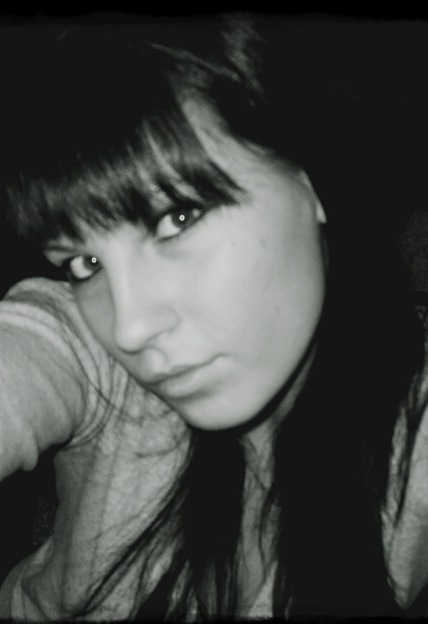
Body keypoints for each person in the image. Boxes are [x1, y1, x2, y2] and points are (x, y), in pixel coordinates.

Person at [0, 13, 426, 620]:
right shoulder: (90, 355)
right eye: (85, 263)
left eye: (177, 217)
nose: (129, 328)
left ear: (310, 178)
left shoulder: (412, 438)